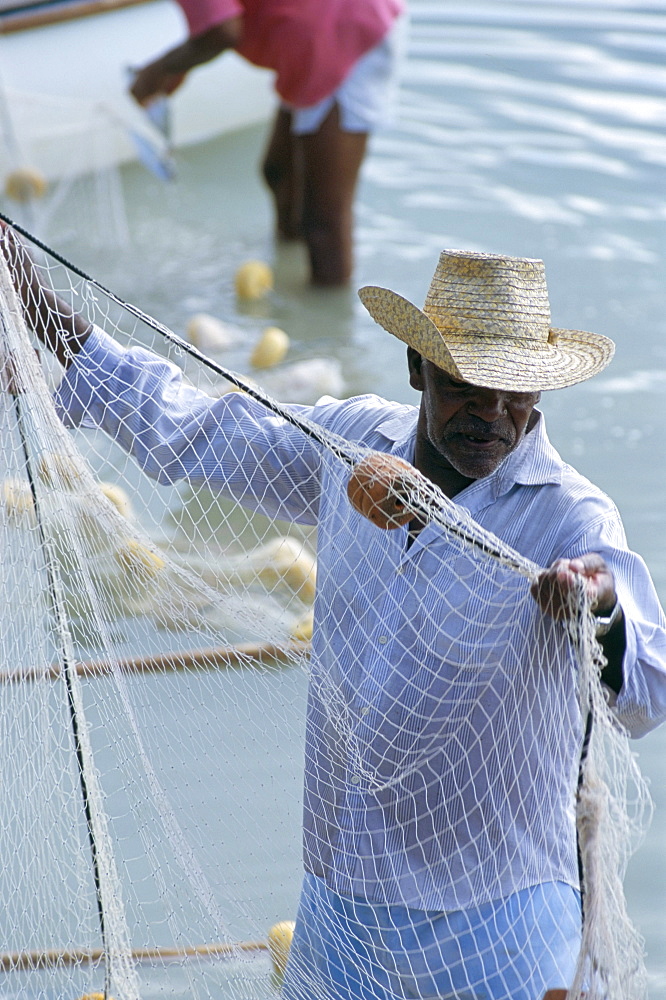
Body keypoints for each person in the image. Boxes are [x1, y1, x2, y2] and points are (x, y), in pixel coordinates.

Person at [7, 242, 666, 999]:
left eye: (514, 394)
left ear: (540, 397)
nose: (491, 414)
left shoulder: (569, 515)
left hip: (497, 920)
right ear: (415, 367)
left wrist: (597, 606)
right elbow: (197, 430)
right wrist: (46, 316)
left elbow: (646, 690)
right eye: (465, 386)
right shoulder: (352, 444)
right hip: (341, 904)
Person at [129, 0, 405, 287]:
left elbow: (222, 32)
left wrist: (156, 72)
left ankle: (326, 311)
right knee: (280, 175)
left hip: (343, 29)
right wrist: (175, 68)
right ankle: (292, 288)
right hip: (306, 36)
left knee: (323, 222)